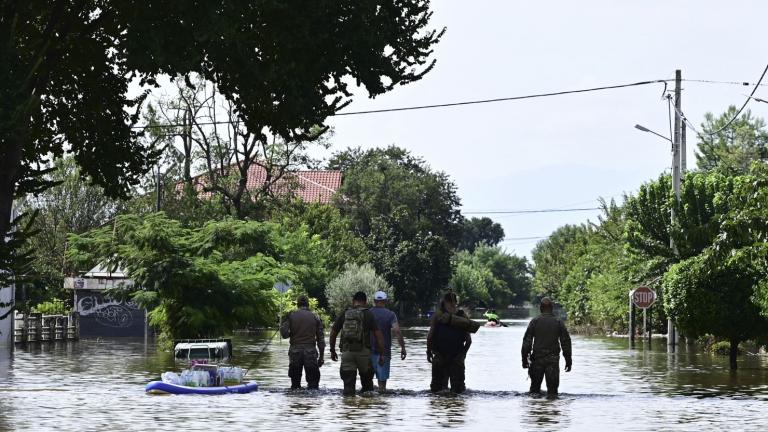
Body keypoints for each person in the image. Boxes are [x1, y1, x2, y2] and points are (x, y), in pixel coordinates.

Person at [329, 291, 386, 395]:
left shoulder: (345, 313)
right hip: (363, 353)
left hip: (347, 353)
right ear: (365, 302)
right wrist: (382, 354)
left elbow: (333, 334)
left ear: (353, 301)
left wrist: (332, 351)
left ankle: (349, 407)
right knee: (367, 388)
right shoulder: (368, 314)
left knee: (348, 387)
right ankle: (364, 407)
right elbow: (379, 336)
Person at [521, 297, 572, 398]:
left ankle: (535, 410)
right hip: (553, 360)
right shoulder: (558, 322)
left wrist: (524, 360)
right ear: (552, 308)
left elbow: (527, 342)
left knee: (534, 391)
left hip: (537, 360)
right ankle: (552, 410)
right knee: (553, 393)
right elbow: (565, 342)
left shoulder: (534, 321)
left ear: (540, 308)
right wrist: (568, 360)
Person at [427, 292, 475, 393]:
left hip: (440, 356)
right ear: (456, 302)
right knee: (458, 391)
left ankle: (439, 408)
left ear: (443, 302)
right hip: (457, 357)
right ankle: (455, 406)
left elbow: (430, 336)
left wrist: (429, 351)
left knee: (437, 391)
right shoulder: (462, 316)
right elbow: (469, 340)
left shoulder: (438, 315)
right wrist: (462, 355)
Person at [280, 295, 326, 390]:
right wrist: (321, 357)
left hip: (295, 352)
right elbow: (321, 339)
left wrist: (291, 331)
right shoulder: (315, 316)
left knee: (295, 386)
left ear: (297, 304)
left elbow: (284, 334)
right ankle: (310, 403)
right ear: (308, 304)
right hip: (311, 352)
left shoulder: (291, 315)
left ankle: (296, 402)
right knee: (313, 386)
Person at [369, 290, 406, 392]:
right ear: (386, 301)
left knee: (367, 385)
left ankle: (369, 406)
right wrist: (403, 348)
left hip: (368, 353)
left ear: (374, 301)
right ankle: (382, 406)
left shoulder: (368, 313)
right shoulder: (390, 315)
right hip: (384, 354)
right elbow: (397, 331)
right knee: (382, 388)